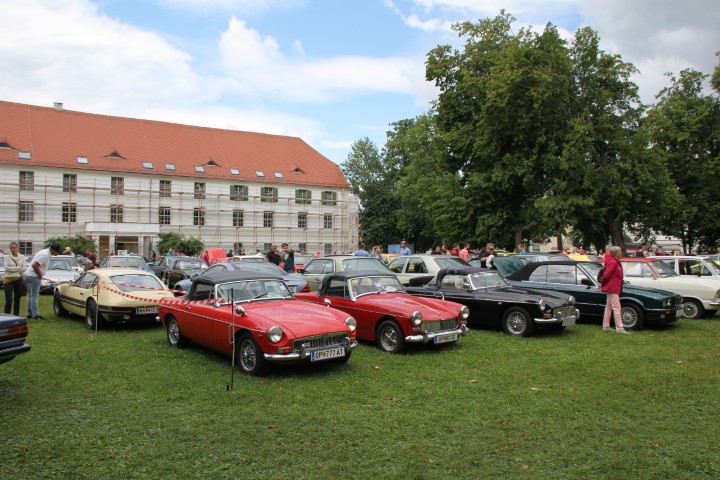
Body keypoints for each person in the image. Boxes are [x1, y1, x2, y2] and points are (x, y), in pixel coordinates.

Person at [24, 243, 61, 319]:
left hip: (29, 275)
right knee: (34, 296)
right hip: (33, 276)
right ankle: (35, 315)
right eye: (57, 251)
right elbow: (35, 265)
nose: (58, 253)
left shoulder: (45, 252)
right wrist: (40, 275)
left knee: (31, 295)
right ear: (53, 251)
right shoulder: (45, 255)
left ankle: (30, 313)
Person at [600, 246, 629, 334]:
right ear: (615, 253)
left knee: (609, 307)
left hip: (614, 287)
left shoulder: (615, 262)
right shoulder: (613, 262)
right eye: (620, 252)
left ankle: (606, 326)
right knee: (617, 307)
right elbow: (607, 275)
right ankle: (619, 328)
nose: (621, 253)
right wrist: (604, 284)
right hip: (612, 287)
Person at [4, 242, 28, 316]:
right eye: (11, 248)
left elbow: (24, 268)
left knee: (17, 299)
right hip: (8, 280)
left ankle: (16, 315)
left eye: (14, 247)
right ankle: (6, 315)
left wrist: (13, 269)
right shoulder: (7, 257)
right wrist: (18, 268)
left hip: (18, 279)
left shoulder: (22, 257)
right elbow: (7, 269)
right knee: (9, 300)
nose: (12, 249)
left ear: (17, 248)